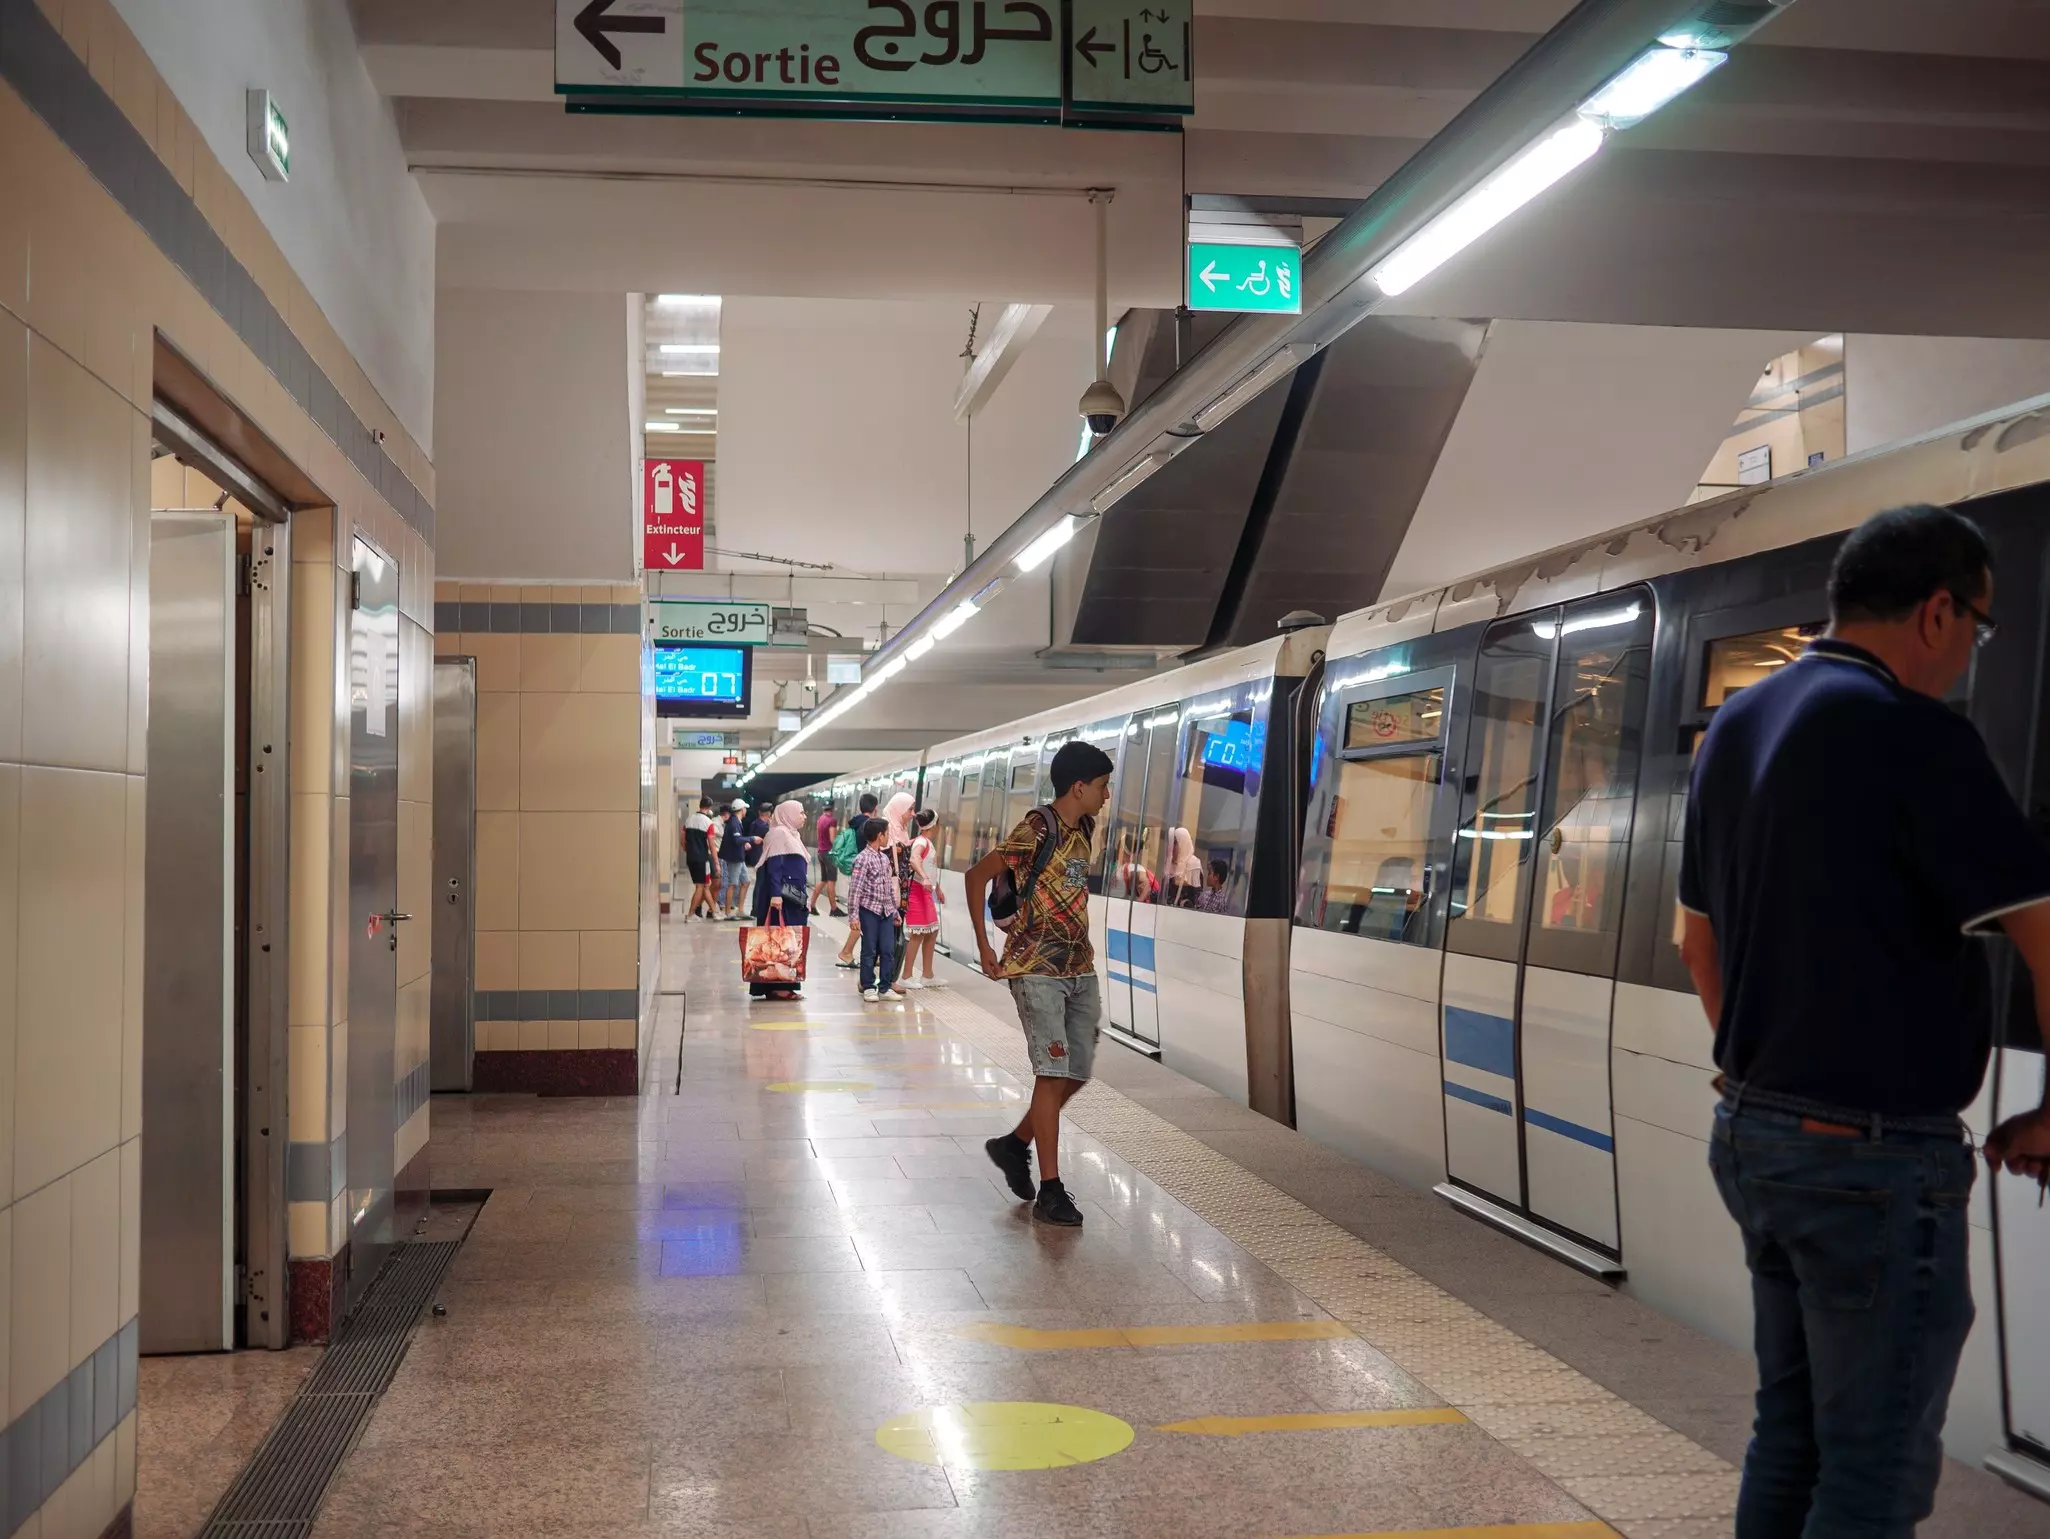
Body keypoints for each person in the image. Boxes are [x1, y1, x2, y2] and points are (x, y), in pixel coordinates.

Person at [1679, 503, 2050, 1539]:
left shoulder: (1734, 727)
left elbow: (1692, 943)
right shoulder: (1914, 734)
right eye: (1975, 630)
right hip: (1870, 1158)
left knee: (1789, 1433)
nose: (1968, 656)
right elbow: (2046, 933)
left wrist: (1760, 1076)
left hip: (1756, 1135)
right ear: (1937, 612)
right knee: (1875, 1468)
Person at [968, 739, 1116, 1227]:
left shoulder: (1085, 828)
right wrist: (986, 948)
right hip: (1036, 967)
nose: (1106, 795)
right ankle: (1051, 1190)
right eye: (1101, 786)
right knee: (1052, 1074)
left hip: (1079, 966)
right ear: (1079, 787)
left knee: (1077, 1070)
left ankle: (1013, 1145)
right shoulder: (1036, 828)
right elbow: (976, 877)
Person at [748, 801, 812, 1001]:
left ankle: (786, 984)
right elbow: (775, 867)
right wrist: (775, 895)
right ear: (788, 814)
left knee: (791, 942)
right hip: (781, 898)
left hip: (792, 896)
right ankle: (777, 987)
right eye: (801, 812)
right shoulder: (778, 834)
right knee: (779, 941)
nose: (804, 816)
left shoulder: (793, 835)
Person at [847, 816, 905, 1003]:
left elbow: (888, 889)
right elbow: (855, 889)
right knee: (869, 950)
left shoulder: (883, 858)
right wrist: (853, 916)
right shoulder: (862, 859)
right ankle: (868, 986)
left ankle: (885, 986)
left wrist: (894, 912)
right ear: (880, 836)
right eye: (887, 834)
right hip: (869, 911)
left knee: (887, 950)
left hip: (886, 912)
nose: (888, 837)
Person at [901, 808, 945, 988]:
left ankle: (927, 975)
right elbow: (914, 859)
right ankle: (906, 976)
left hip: (925, 892)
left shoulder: (925, 841)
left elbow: (929, 868)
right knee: (917, 934)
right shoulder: (921, 842)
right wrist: (926, 878)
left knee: (932, 932)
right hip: (916, 892)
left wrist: (937, 888)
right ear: (934, 825)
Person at [837, 793, 881, 967]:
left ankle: (869, 954)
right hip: (866, 875)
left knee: (867, 916)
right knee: (864, 917)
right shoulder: (868, 825)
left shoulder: (855, 823)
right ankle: (846, 952)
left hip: (857, 870)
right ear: (875, 807)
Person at [682, 796, 715, 920]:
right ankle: (690, 915)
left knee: (704, 885)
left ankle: (714, 911)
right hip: (703, 859)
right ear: (710, 807)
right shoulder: (708, 823)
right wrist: (716, 862)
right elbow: (711, 845)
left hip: (690, 858)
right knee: (701, 886)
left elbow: (682, 841)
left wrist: (689, 851)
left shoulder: (688, 820)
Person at [717, 801, 750, 920]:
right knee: (732, 884)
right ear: (742, 810)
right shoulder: (734, 823)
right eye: (745, 808)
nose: (746, 811)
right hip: (734, 858)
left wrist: (744, 842)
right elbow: (736, 840)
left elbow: (736, 839)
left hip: (739, 857)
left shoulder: (735, 822)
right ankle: (728, 912)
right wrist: (751, 839)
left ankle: (740, 910)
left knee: (746, 882)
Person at [812, 804, 843, 916]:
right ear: (833, 809)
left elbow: (818, 836)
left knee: (824, 880)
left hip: (821, 852)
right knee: (831, 881)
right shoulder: (832, 821)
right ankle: (834, 909)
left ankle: (811, 905)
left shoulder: (820, 819)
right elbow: (832, 839)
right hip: (829, 854)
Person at [1163, 826, 1203, 907]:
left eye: (1175, 843)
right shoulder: (1170, 863)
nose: (1171, 847)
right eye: (1171, 843)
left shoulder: (1194, 863)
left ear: (1183, 843)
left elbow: (1197, 897)